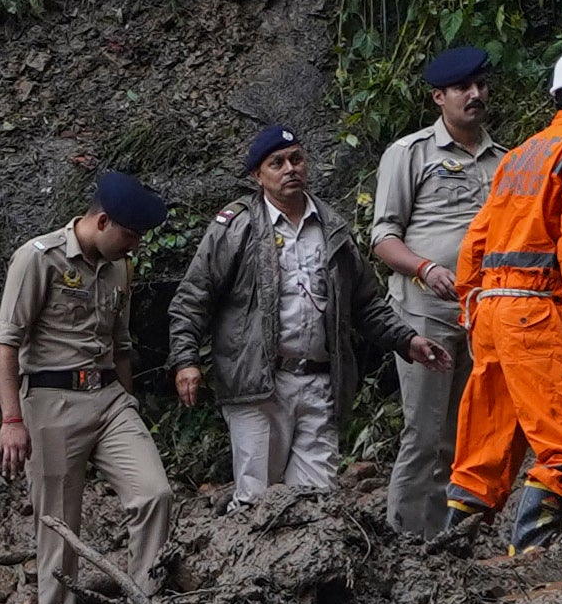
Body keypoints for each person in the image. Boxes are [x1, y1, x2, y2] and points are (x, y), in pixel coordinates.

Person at [170, 124, 434, 508]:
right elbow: (194, 296)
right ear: (258, 176)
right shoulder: (237, 227)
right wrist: (186, 359)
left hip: (319, 382)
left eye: (296, 159)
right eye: (277, 163)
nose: (290, 168)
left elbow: (364, 303)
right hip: (257, 384)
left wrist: (406, 340)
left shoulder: (332, 227)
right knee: (256, 500)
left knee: (315, 503)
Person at [450, 49, 562, 546]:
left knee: (483, 454)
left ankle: (448, 561)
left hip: (492, 313)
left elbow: (475, 242)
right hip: (536, 313)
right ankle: (531, 558)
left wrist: (472, 306)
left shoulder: (520, 154)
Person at [0, 168, 177, 604]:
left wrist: (128, 398)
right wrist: (12, 420)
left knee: (155, 494)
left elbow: (120, 342)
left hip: (109, 399)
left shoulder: (120, 267)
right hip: (51, 402)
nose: (137, 245)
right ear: (102, 221)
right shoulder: (38, 258)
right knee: (59, 532)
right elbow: (5, 341)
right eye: (131, 235)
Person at [369, 54, 501, 539]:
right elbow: (383, 237)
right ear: (438, 97)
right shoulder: (410, 153)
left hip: (482, 313)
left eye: (480, 85)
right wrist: (426, 268)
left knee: (462, 432)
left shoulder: (505, 160)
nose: (475, 95)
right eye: (463, 87)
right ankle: (403, 539)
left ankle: (445, 538)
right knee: (423, 432)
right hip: (424, 312)